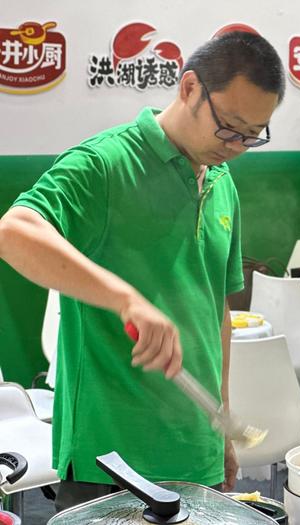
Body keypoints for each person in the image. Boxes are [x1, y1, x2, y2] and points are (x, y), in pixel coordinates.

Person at [0, 31, 285, 510]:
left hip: (196, 451)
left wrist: (222, 424)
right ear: (189, 88)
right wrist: (125, 299)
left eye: (253, 135)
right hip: (111, 458)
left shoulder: (221, 181)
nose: (237, 147)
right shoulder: (105, 164)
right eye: (230, 128)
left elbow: (216, 311)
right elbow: (14, 232)